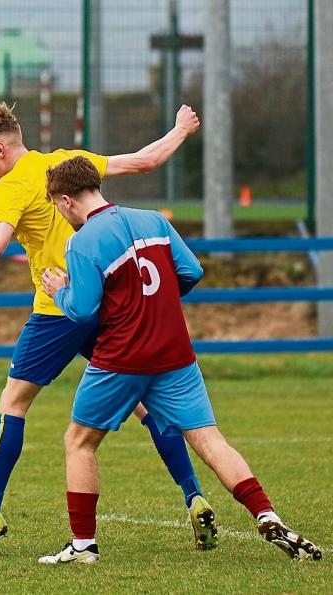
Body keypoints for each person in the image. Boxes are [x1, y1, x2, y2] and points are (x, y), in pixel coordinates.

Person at [0, 102, 216, 554]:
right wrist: (180, 130)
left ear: (1, 148)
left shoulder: (11, 185)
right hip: (107, 306)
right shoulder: (63, 164)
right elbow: (146, 160)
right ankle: (194, 495)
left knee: (13, 402)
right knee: (147, 405)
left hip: (58, 309)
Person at [37, 156, 322, 564]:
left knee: (79, 442)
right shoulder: (153, 219)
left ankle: (83, 545)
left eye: (57, 208)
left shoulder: (82, 241)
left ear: (66, 201)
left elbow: (82, 311)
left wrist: (59, 290)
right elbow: (191, 272)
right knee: (209, 439)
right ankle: (266, 513)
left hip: (120, 358)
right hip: (175, 354)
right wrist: (157, 301)